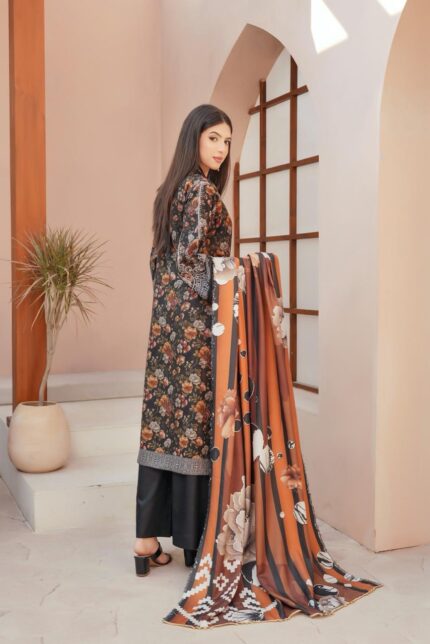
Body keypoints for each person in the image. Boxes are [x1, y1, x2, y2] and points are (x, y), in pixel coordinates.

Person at [133, 104, 233, 576]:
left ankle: (145, 540)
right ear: (193, 136)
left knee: (162, 424)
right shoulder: (202, 191)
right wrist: (228, 288)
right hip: (194, 325)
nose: (222, 148)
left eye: (227, 141)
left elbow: (159, 261)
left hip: (165, 325)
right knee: (192, 425)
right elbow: (193, 262)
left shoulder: (169, 191)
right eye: (213, 137)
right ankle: (194, 545)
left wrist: (167, 306)